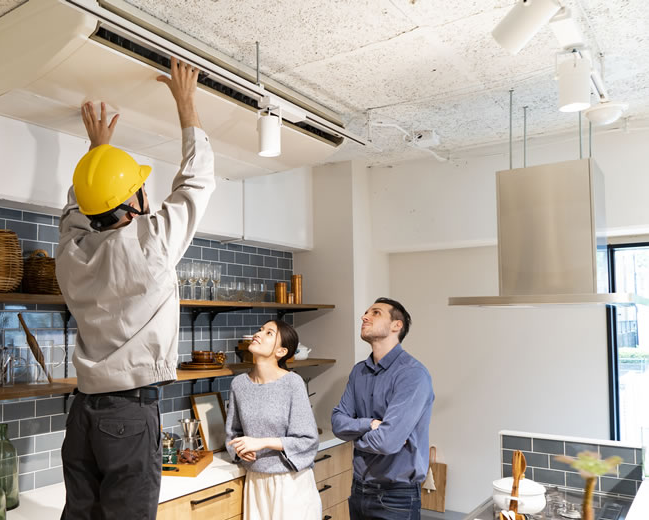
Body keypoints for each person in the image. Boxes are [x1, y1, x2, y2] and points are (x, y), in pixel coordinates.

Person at [56, 57, 215, 520]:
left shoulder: (71, 254)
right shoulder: (152, 241)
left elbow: (76, 210)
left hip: (82, 415)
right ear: (136, 202)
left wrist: (97, 153)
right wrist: (186, 103)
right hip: (129, 414)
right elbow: (197, 180)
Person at [331, 297, 434, 520]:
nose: (364, 316)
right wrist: (368, 424)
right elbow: (338, 423)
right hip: (358, 490)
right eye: (366, 312)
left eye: (375, 313)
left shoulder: (412, 374)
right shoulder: (359, 372)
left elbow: (387, 442)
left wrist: (355, 438)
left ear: (397, 325)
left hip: (396, 497)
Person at [225, 319, 322, 520]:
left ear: (281, 352)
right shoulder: (239, 385)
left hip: (291, 483)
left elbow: (308, 440)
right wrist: (239, 451)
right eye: (260, 329)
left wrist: (261, 443)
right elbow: (232, 434)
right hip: (256, 482)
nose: (258, 334)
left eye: (269, 333)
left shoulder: (293, 383)